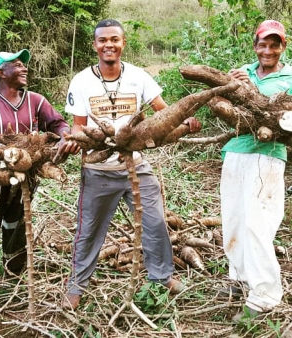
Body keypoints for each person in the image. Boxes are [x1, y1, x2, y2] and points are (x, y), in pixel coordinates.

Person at [61, 19, 202, 310]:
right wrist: (76, 141)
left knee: (155, 222)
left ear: (123, 43)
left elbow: (164, 112)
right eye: (103, 40)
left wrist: (185, 121)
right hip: (98, 170)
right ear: (95, 45)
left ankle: (162, 276)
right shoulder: (81, 81)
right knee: (88, 230)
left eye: (114, 39)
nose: (108, 45)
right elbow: (77, 126)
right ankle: (76, 285)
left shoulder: (139, 77)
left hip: (136, 165)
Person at [0, 49, 78, 332]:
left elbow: (58, 124)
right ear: (0, 72)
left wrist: (65, 137)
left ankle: (14, 282)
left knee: (18, 236)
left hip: (24, 187)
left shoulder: (36, 101)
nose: (24, 69)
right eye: (17, 65)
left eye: (24, 65)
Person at [220, 20, 292, 322]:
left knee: (257, 222)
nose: (268, 50)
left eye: (274, 44)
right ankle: (239, 279)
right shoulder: (243, 73)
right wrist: (228, 84)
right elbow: (225, 110)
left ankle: (264, 296)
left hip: (269, 157)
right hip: (236, 153)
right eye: (263, 44)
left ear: (283, 47)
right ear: (255, 45)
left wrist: (279, 123)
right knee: (233, 221)